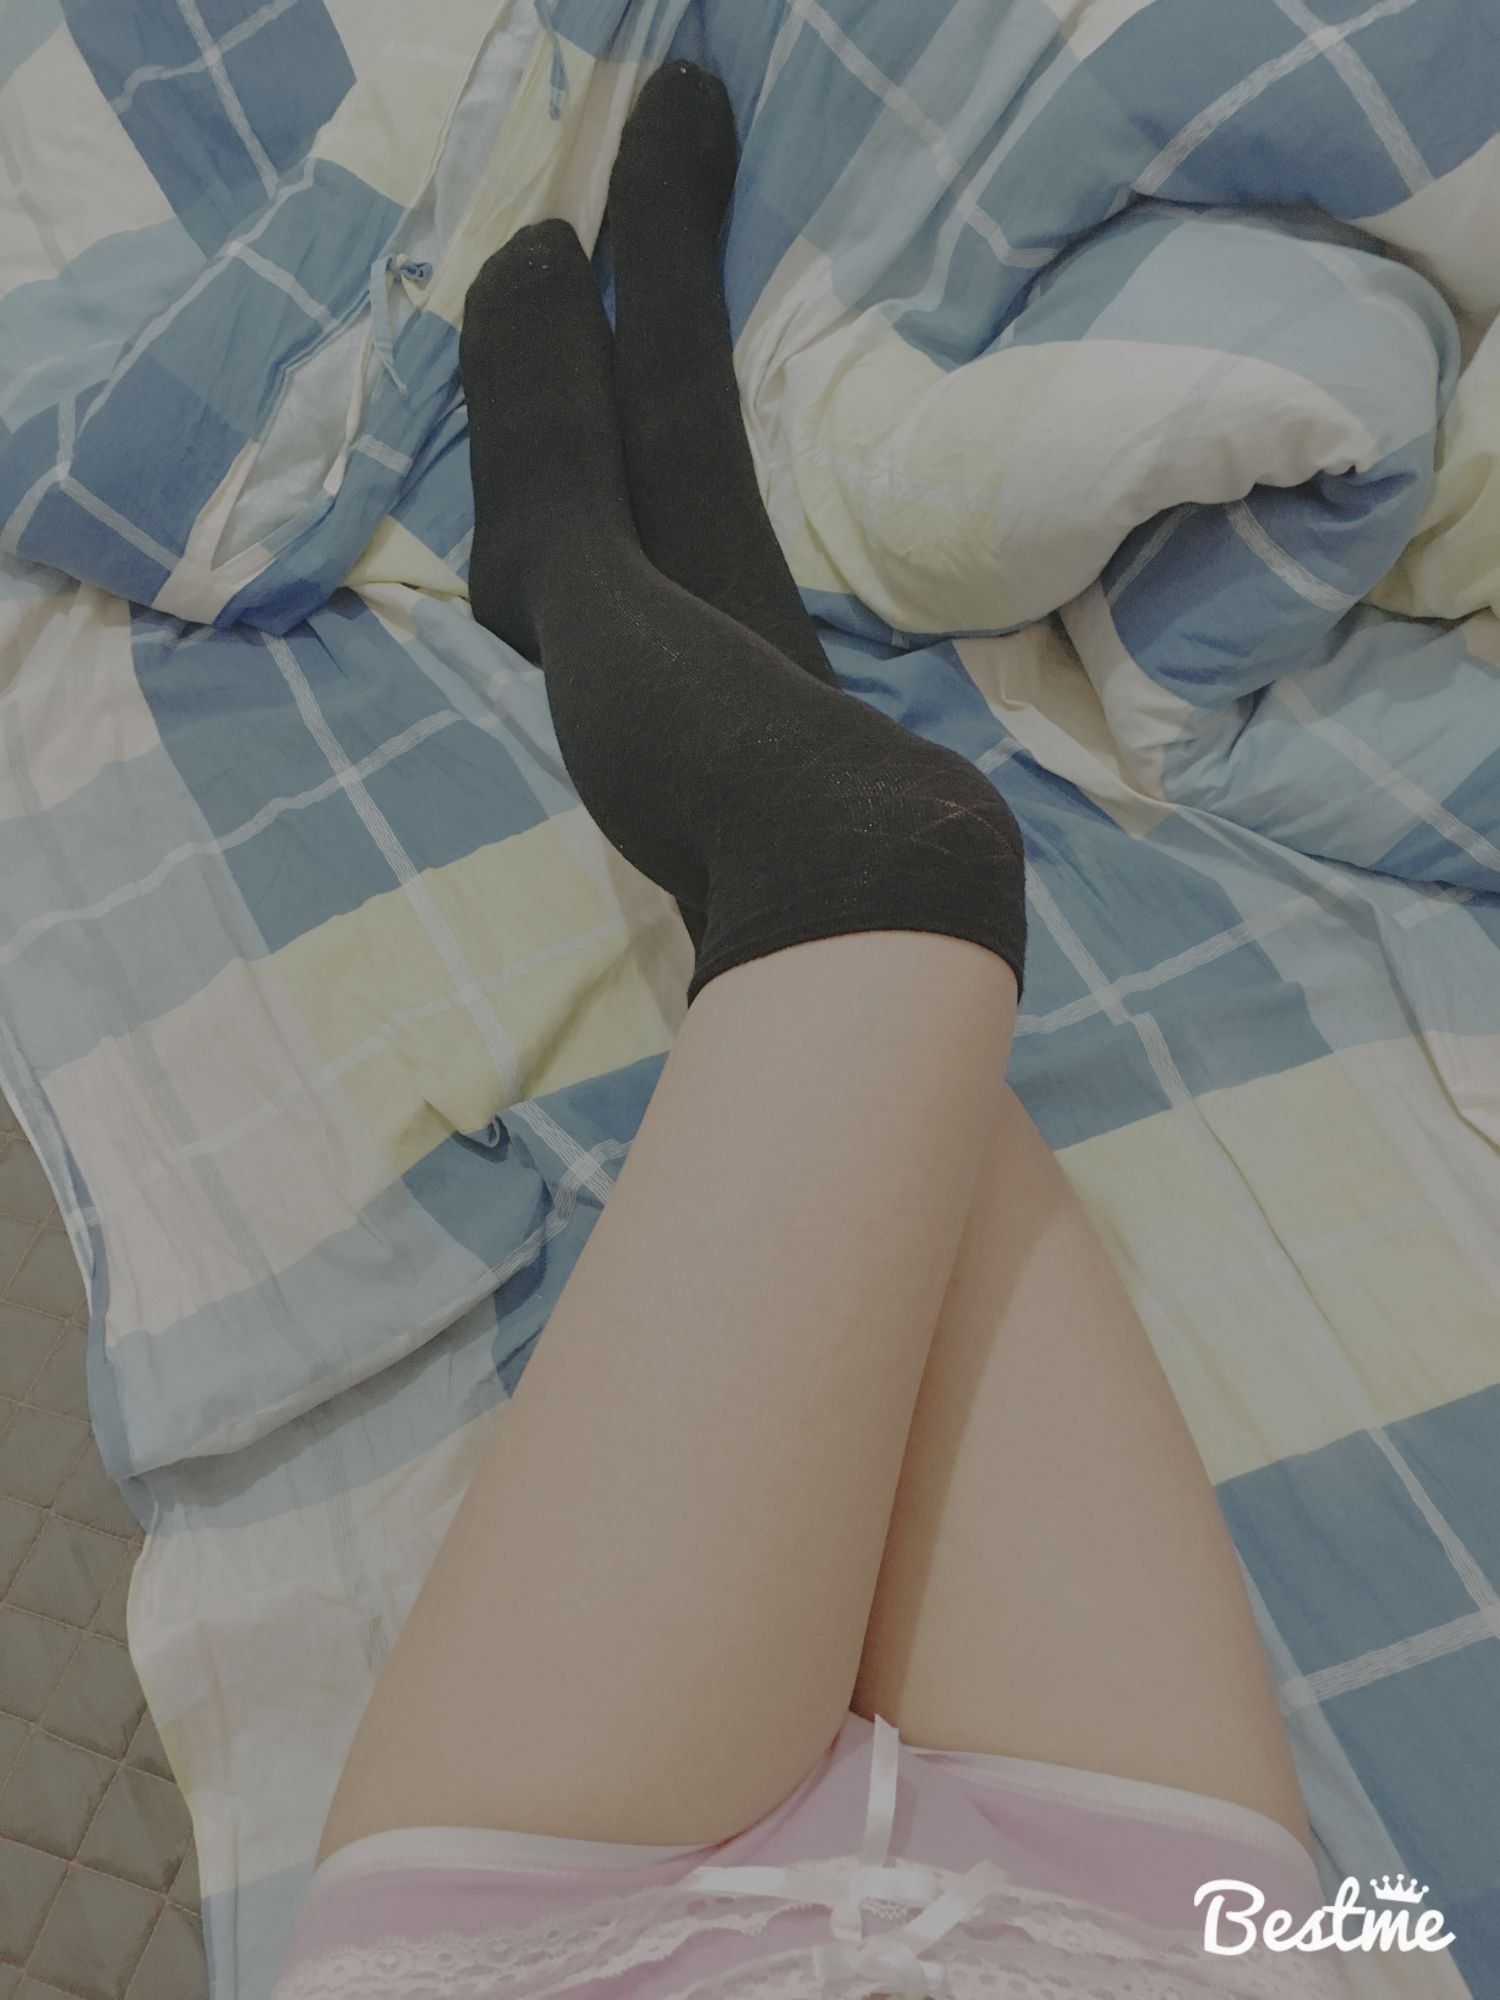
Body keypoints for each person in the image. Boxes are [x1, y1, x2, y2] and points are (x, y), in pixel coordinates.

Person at [272, 62, 1342, 2000]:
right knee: (886, 1025)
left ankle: (565, 551)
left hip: (586, 1941)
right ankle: (674, 478)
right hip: (1170, 1940)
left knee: (876, 871)